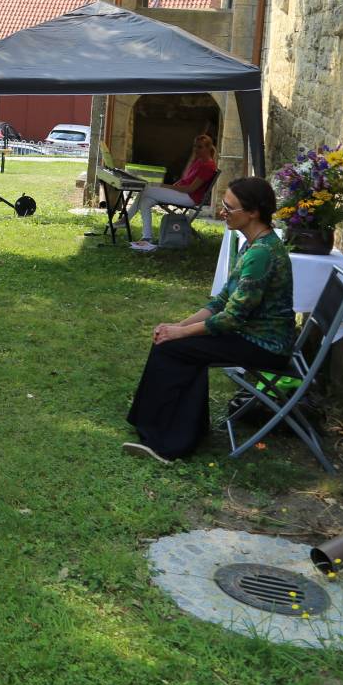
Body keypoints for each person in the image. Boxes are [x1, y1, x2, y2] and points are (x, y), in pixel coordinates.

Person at [123, 176, 296, 463]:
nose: (222, 213)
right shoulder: (253, 244)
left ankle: (169, 445)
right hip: (248, 334)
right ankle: (155, 427)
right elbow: (221, 301)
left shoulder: (262, 254)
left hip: (264, 344)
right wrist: (178, 326)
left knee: (175, 348)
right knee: (172, 342)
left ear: (253, 213)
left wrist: (181, 334)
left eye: (230, 208)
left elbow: (232, 317)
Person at [126, 134, 221, 252]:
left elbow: (190, 189)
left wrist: (167, 187)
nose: (196, 150)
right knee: (145, 201)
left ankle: (125, 220)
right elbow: (185, 180)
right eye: (195, 146)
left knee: (146, 190)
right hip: (183, 193)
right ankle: (147, 237)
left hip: (190, 198)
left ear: (208, 148)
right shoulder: (199, 161)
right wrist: (174, 185)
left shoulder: (208, 166)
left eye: (200, 147)